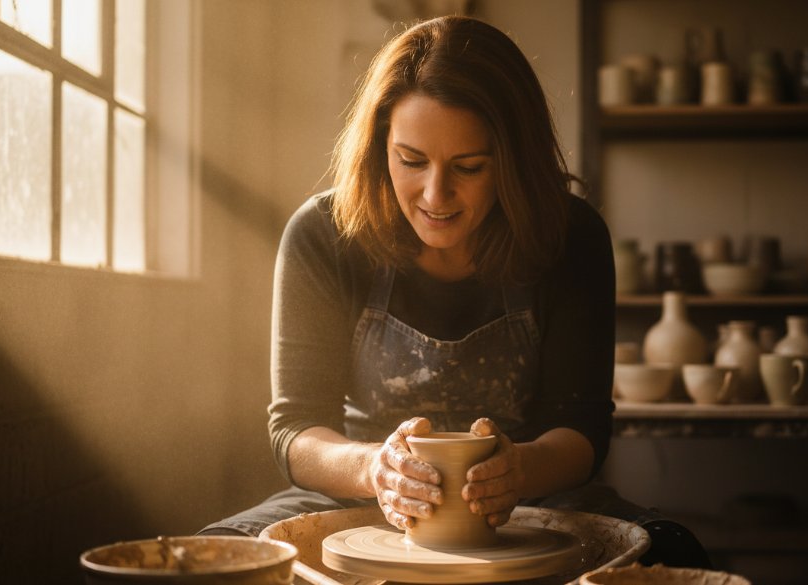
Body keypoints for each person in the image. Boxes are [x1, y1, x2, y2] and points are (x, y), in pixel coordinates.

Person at [200, 15, 709, 568]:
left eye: (468, 167)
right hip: (361, 492)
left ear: (513, 161)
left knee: (672, 554)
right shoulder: (324, 234)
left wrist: (519, 470)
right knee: (216, 559)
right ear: (379, 147)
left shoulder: (570, 237)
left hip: (531, 495)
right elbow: (295, 428)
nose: (435, 194)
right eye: (411, 161)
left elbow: (583, 428)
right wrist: (376, 469)